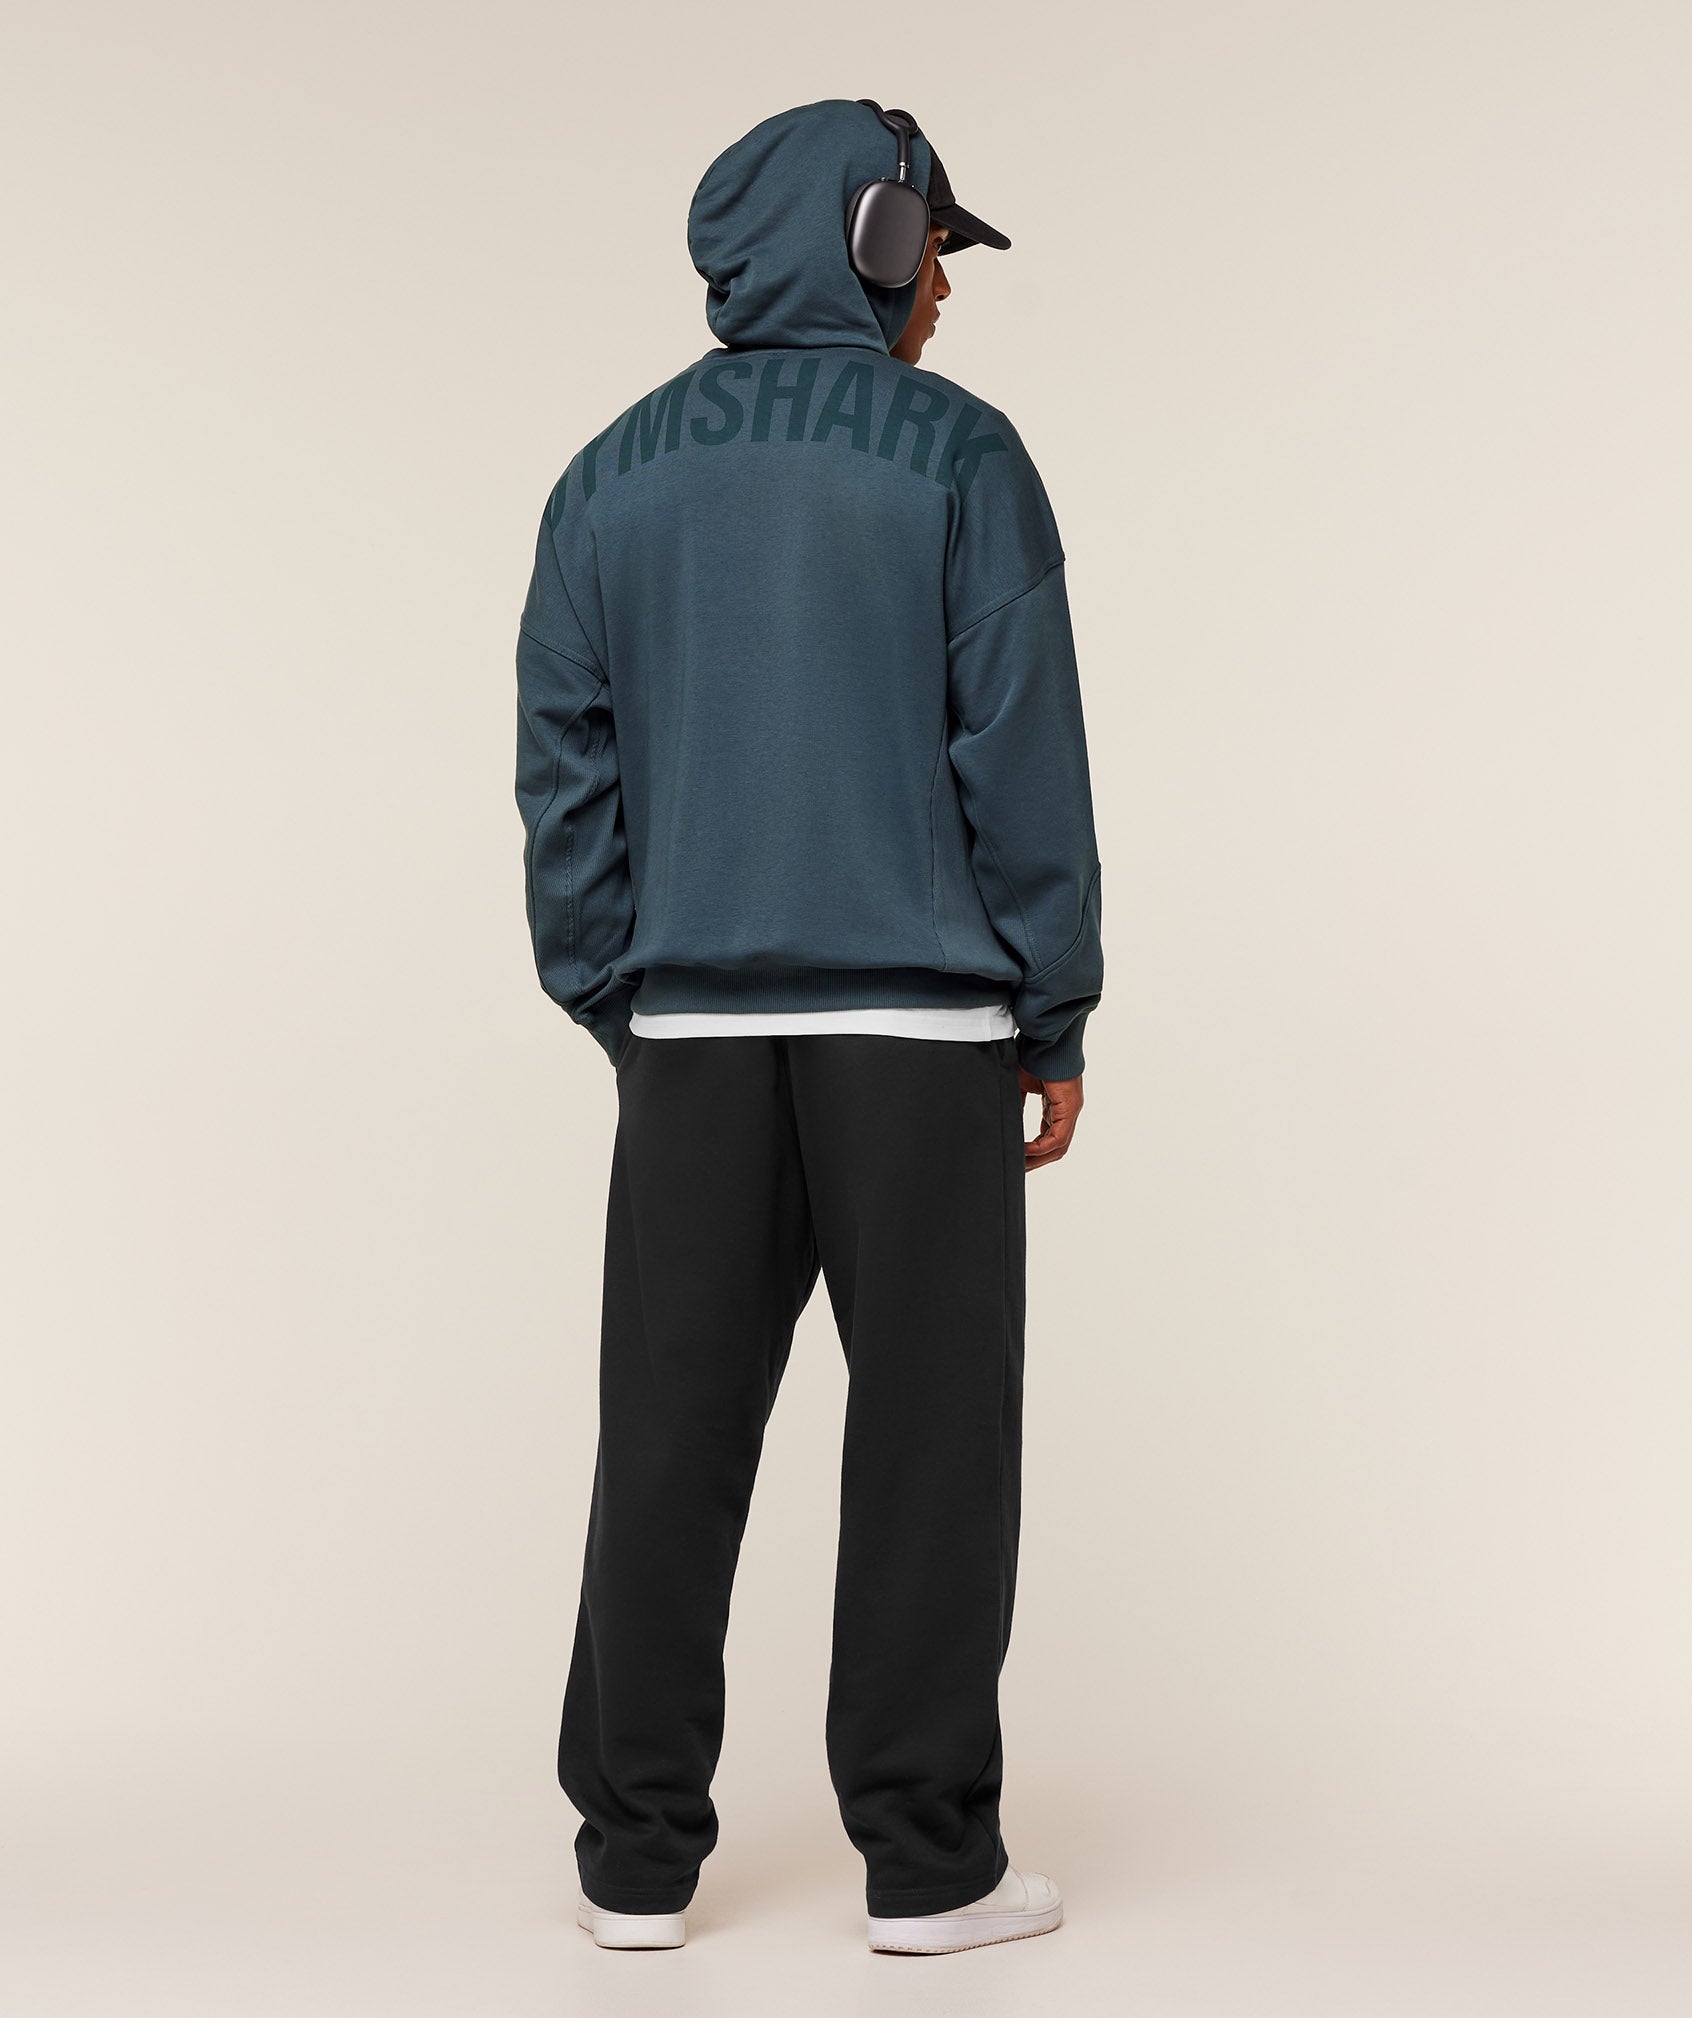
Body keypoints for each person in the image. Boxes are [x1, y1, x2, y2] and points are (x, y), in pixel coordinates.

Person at [513, 96, 1104, 1955]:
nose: (947, 292)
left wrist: (622, 993)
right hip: (921, 1041)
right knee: (931, 1444)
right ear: (873, 241)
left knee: (665, 1435)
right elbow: (1020, 752)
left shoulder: (605, 476)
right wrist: (1054, 1003)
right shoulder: (964, 457)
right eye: (935, 250)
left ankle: (631, 1865)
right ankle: (929, 1868)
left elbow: (562, 767)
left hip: (692, 1035)